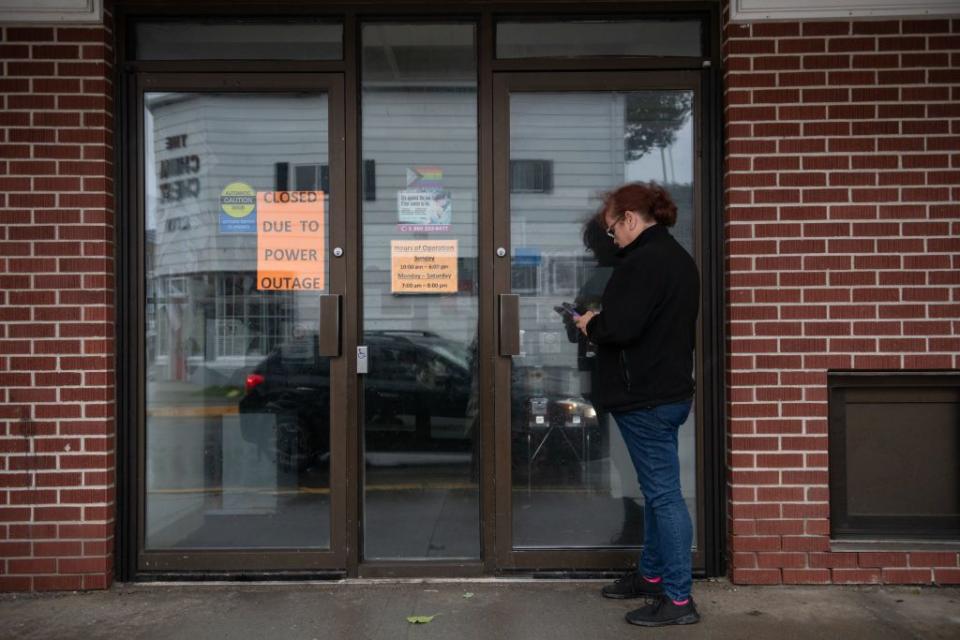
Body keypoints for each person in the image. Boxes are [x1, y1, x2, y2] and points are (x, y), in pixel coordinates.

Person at [575, 182, 700, 627]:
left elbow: (621, 328)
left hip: (644, 396)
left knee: (664, 497)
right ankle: (651, 577)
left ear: (629, 217)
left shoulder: (642, 263)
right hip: (666, 392)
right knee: (657, 493)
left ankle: (679, 601)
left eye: (612, 230)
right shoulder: (678, 259)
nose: (613, 239)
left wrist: (591, 323)